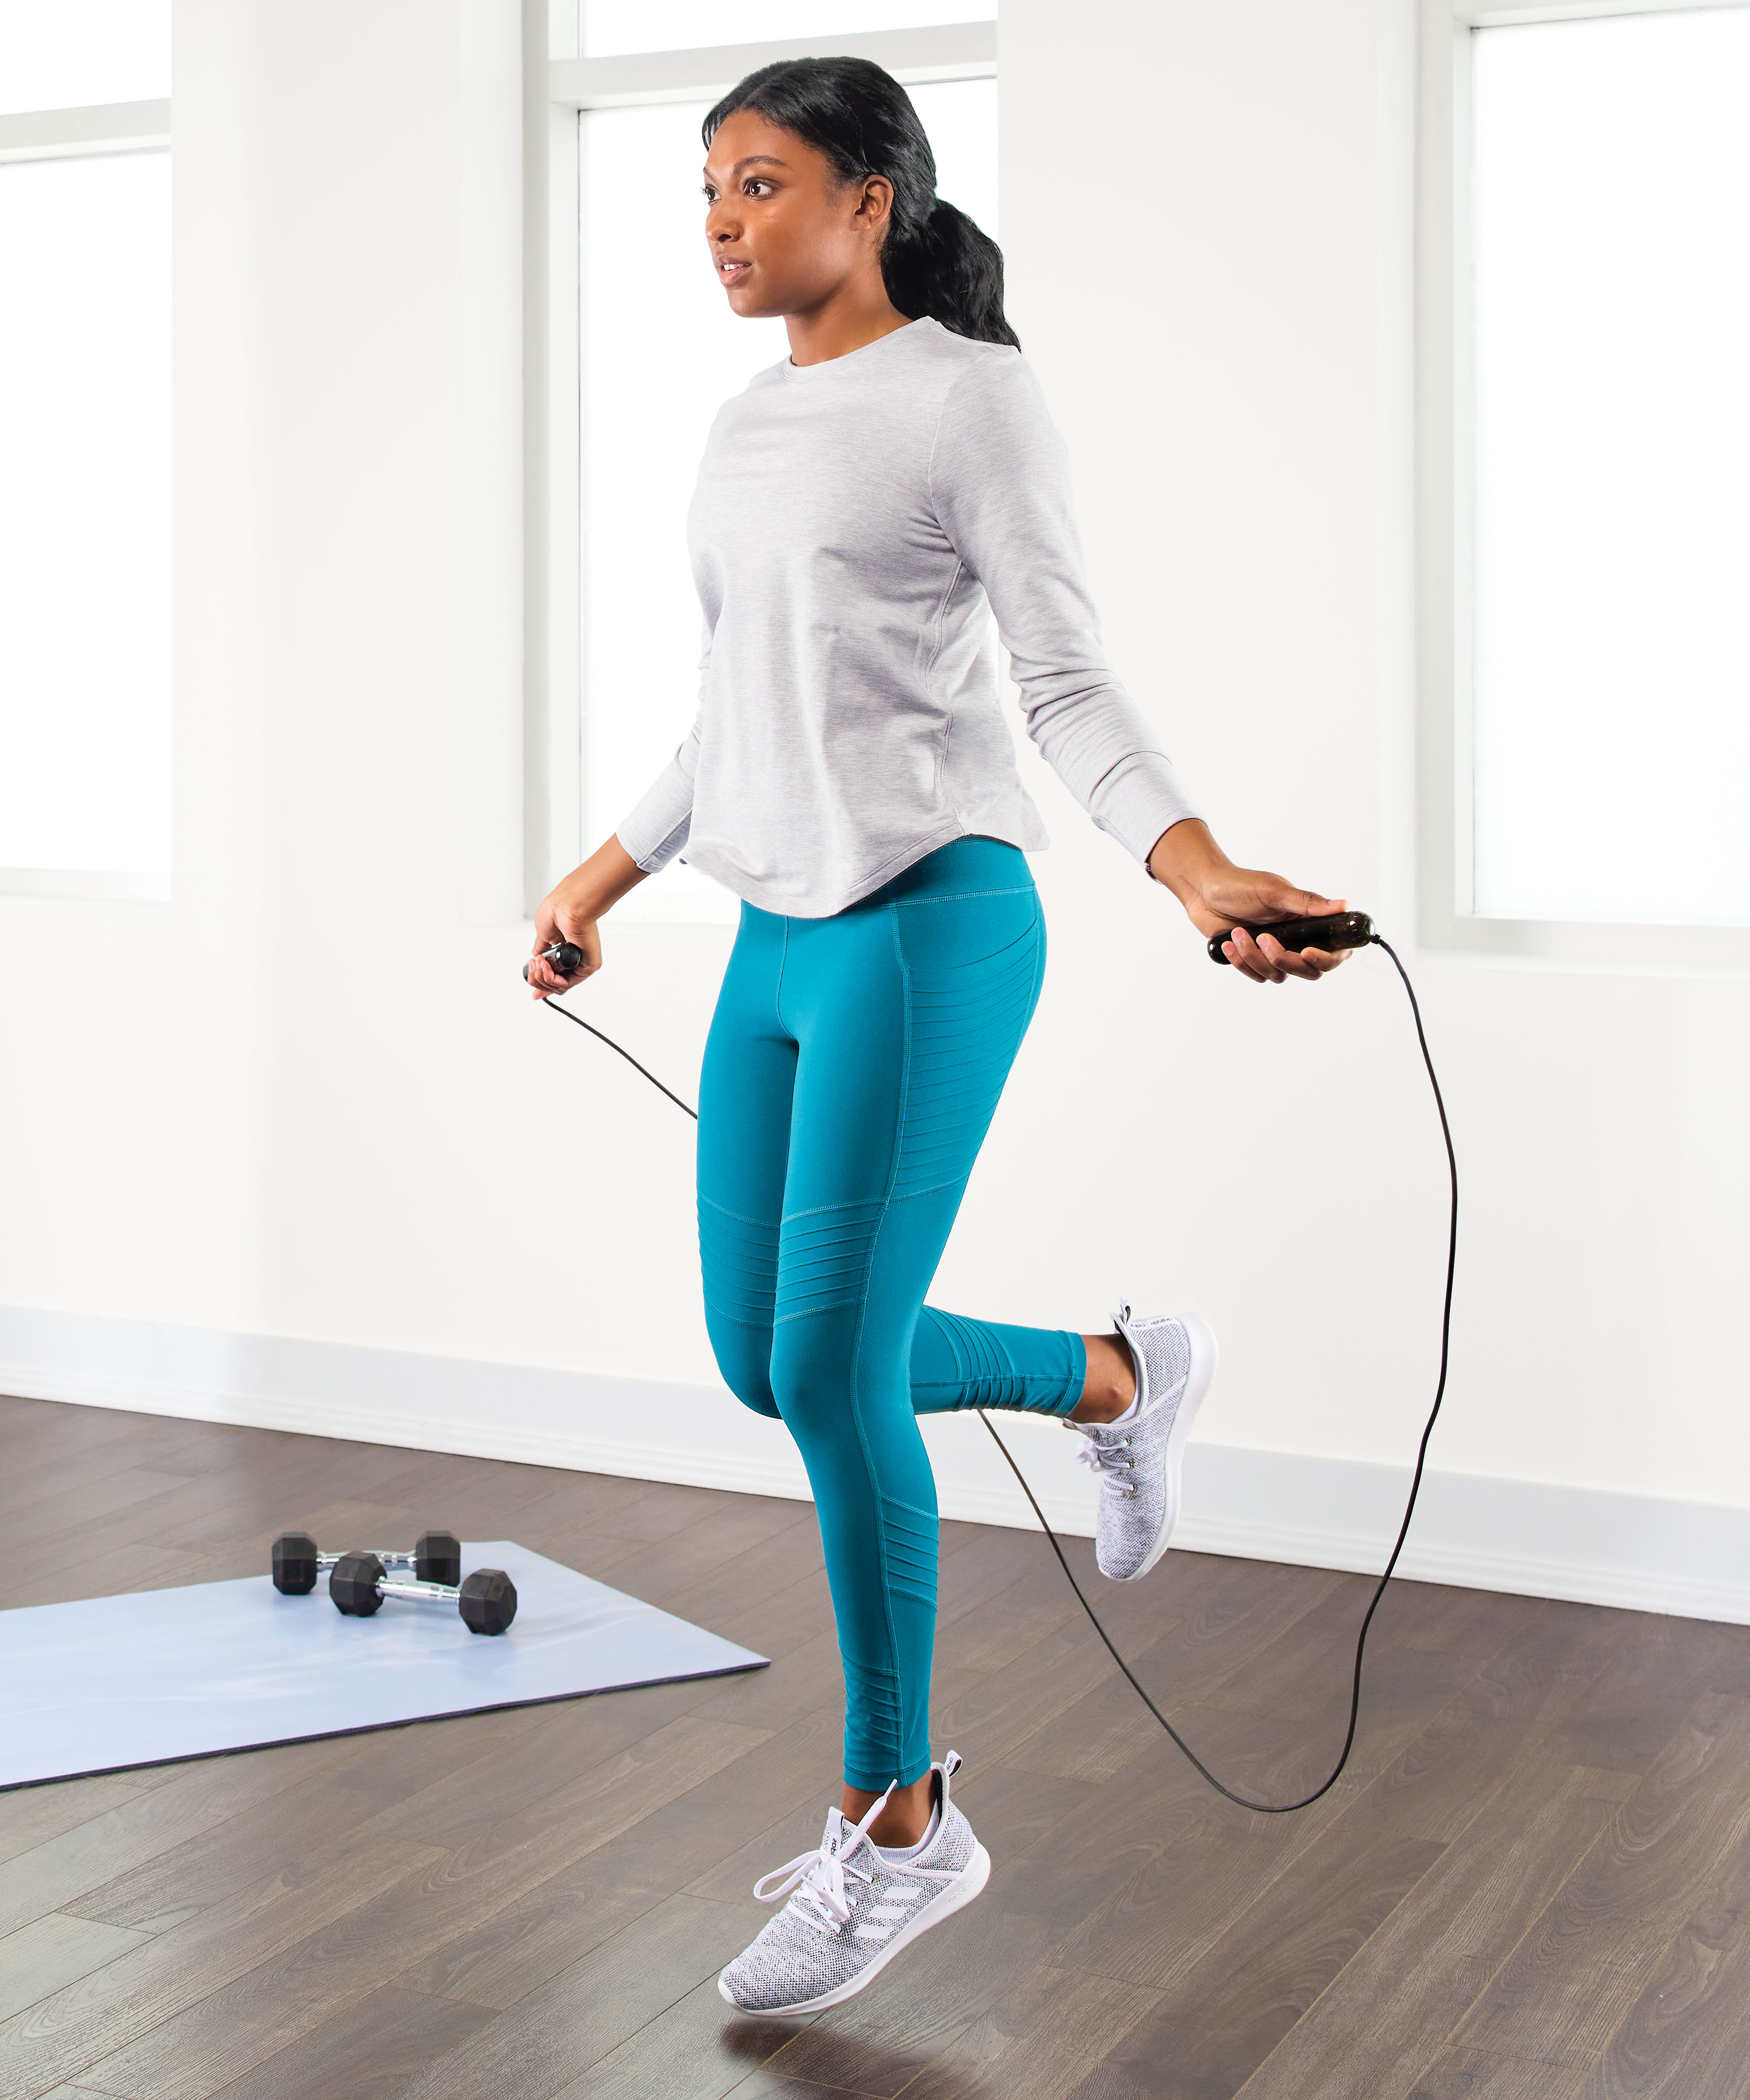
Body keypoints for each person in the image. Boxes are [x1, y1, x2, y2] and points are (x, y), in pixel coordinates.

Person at [527, 55, 1346, 2019]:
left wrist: (1195, 864)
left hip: (928, 923)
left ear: (869, 196)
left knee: (829, 1368)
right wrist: (596, 879)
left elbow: (1063, 673)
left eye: (759, 181)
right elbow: (734, 711)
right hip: (774, 937)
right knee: (770, 1354)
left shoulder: (974, 399)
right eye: (705, 192)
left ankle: (899, 1826)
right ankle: (1114, 1375)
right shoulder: (742, 424)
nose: (722, 221)